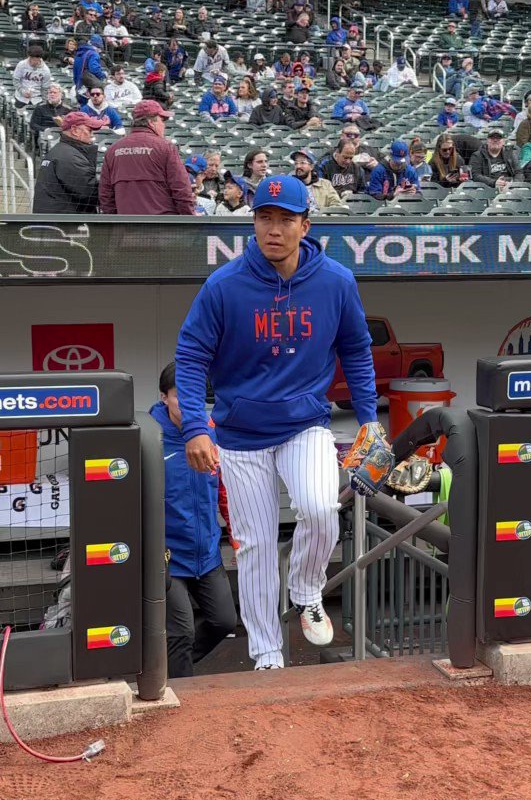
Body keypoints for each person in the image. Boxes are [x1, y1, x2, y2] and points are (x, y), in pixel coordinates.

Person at [175, 173, 380, 670]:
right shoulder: (224, 284)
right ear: (253, 222)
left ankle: (308, 590)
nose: (274, 229)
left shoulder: (335, 280)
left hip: (304, 424)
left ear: (305, 225)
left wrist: (370, 420)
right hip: (241, 435)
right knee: (256, 547)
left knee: (319, 507)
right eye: (264, 218)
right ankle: (267, 653)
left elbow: (355, 349)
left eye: (285, 219)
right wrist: (197, 428)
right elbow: (190, 355)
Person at [150, 364, 237, 678]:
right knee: (181, 632)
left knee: (224, 622)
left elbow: (224, 491)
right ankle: (178, 690)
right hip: (167, 556)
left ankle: (165, 665)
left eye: (195, 397)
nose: (188, 405)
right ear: (163, 398)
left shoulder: (211, 435)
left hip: (206, 552)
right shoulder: (149, 440)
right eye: (178, 397)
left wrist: (236, 536)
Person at [99, 99, 194, 215]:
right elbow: (181, 189)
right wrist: (190, 220)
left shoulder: (113, 150)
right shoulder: (166, 147)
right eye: (162, 120)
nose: (164, 125)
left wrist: (117, 222)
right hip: (164, 226)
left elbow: (106, 196)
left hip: (126, 226)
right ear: (151, 121)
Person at [33, 111, 104, 213]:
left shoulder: (61, 151)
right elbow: (91, 193)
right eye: (89, 130)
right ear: (75, 130)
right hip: (64, 224)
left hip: (55, 220)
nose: (92, 136)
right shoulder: (70, 157)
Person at [73, 35, 107, 104]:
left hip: (80, 86)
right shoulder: (93, 53)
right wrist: (103, 75)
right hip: (90, 88)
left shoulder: (79, 54)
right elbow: (94, 69)